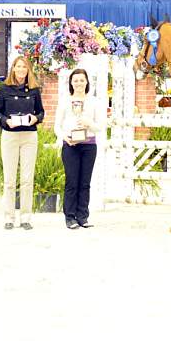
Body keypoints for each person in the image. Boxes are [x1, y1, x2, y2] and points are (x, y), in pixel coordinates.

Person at [0, 56, 44, 230]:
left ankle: (25, 218)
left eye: (24, 67)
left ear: (28, 70)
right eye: (18, 66)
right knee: (9, 179)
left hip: (29, 136)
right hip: (10, 136)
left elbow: (41, 113)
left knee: (27, 179)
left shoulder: (35, 90)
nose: (21, 70)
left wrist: (34, 118)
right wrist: (5, 121)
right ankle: (9, 217)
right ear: (13, 69)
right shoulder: (5, 89)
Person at [54, 68, 105, 229]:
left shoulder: (94, 101)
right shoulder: (64, 100)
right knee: (72, 182)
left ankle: (83, 216)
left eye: (82, 80)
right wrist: (65, 137)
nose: (79, 83)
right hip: (70, 145)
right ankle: (70, 217)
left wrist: (89, 123)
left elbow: (100, 126)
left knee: (85, 182)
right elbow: (57, 126)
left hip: (89, 145)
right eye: (75, 80)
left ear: (87, 82)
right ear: (71, 83)